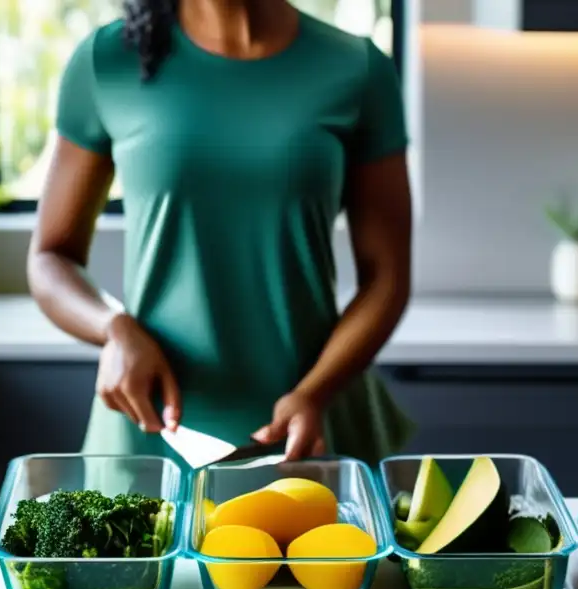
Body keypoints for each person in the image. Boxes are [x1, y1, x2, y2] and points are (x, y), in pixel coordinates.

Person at [28, 0, 413, 465]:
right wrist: (114, 329)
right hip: (149, 433)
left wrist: (315, 392)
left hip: (312, 427)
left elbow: (387, 276)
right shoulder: (106, 62)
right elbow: (50, 257)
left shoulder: (357, 70)